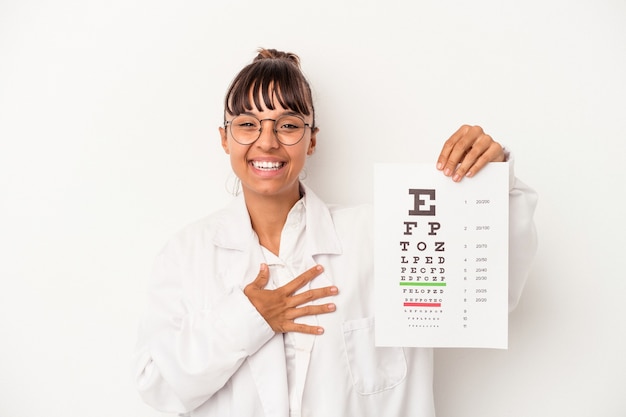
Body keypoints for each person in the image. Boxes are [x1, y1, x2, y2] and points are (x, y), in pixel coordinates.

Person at [133, 48, 538, 417]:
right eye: (248, 124)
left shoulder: (382, 236)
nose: (267, 142)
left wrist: (493, 179)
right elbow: (158, 387)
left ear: (311, 140)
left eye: (288, 124)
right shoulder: (187, 255)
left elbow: (490, 296)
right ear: (225, 138)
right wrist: (249, 317)